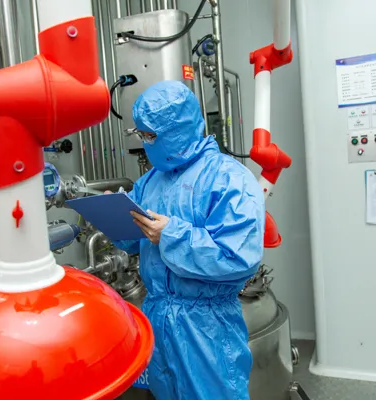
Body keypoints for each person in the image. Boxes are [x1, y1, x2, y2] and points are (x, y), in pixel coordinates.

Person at [112, 80, 265, 400]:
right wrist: (114, 219)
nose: (145, 143)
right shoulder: (150, 181)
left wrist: (171, 236)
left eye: (150, 136)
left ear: (176, 131)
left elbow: (238, 258)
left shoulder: (228, 178)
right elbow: (133, 239)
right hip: (157, 318)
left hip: (206, 327)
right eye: (141, 135)